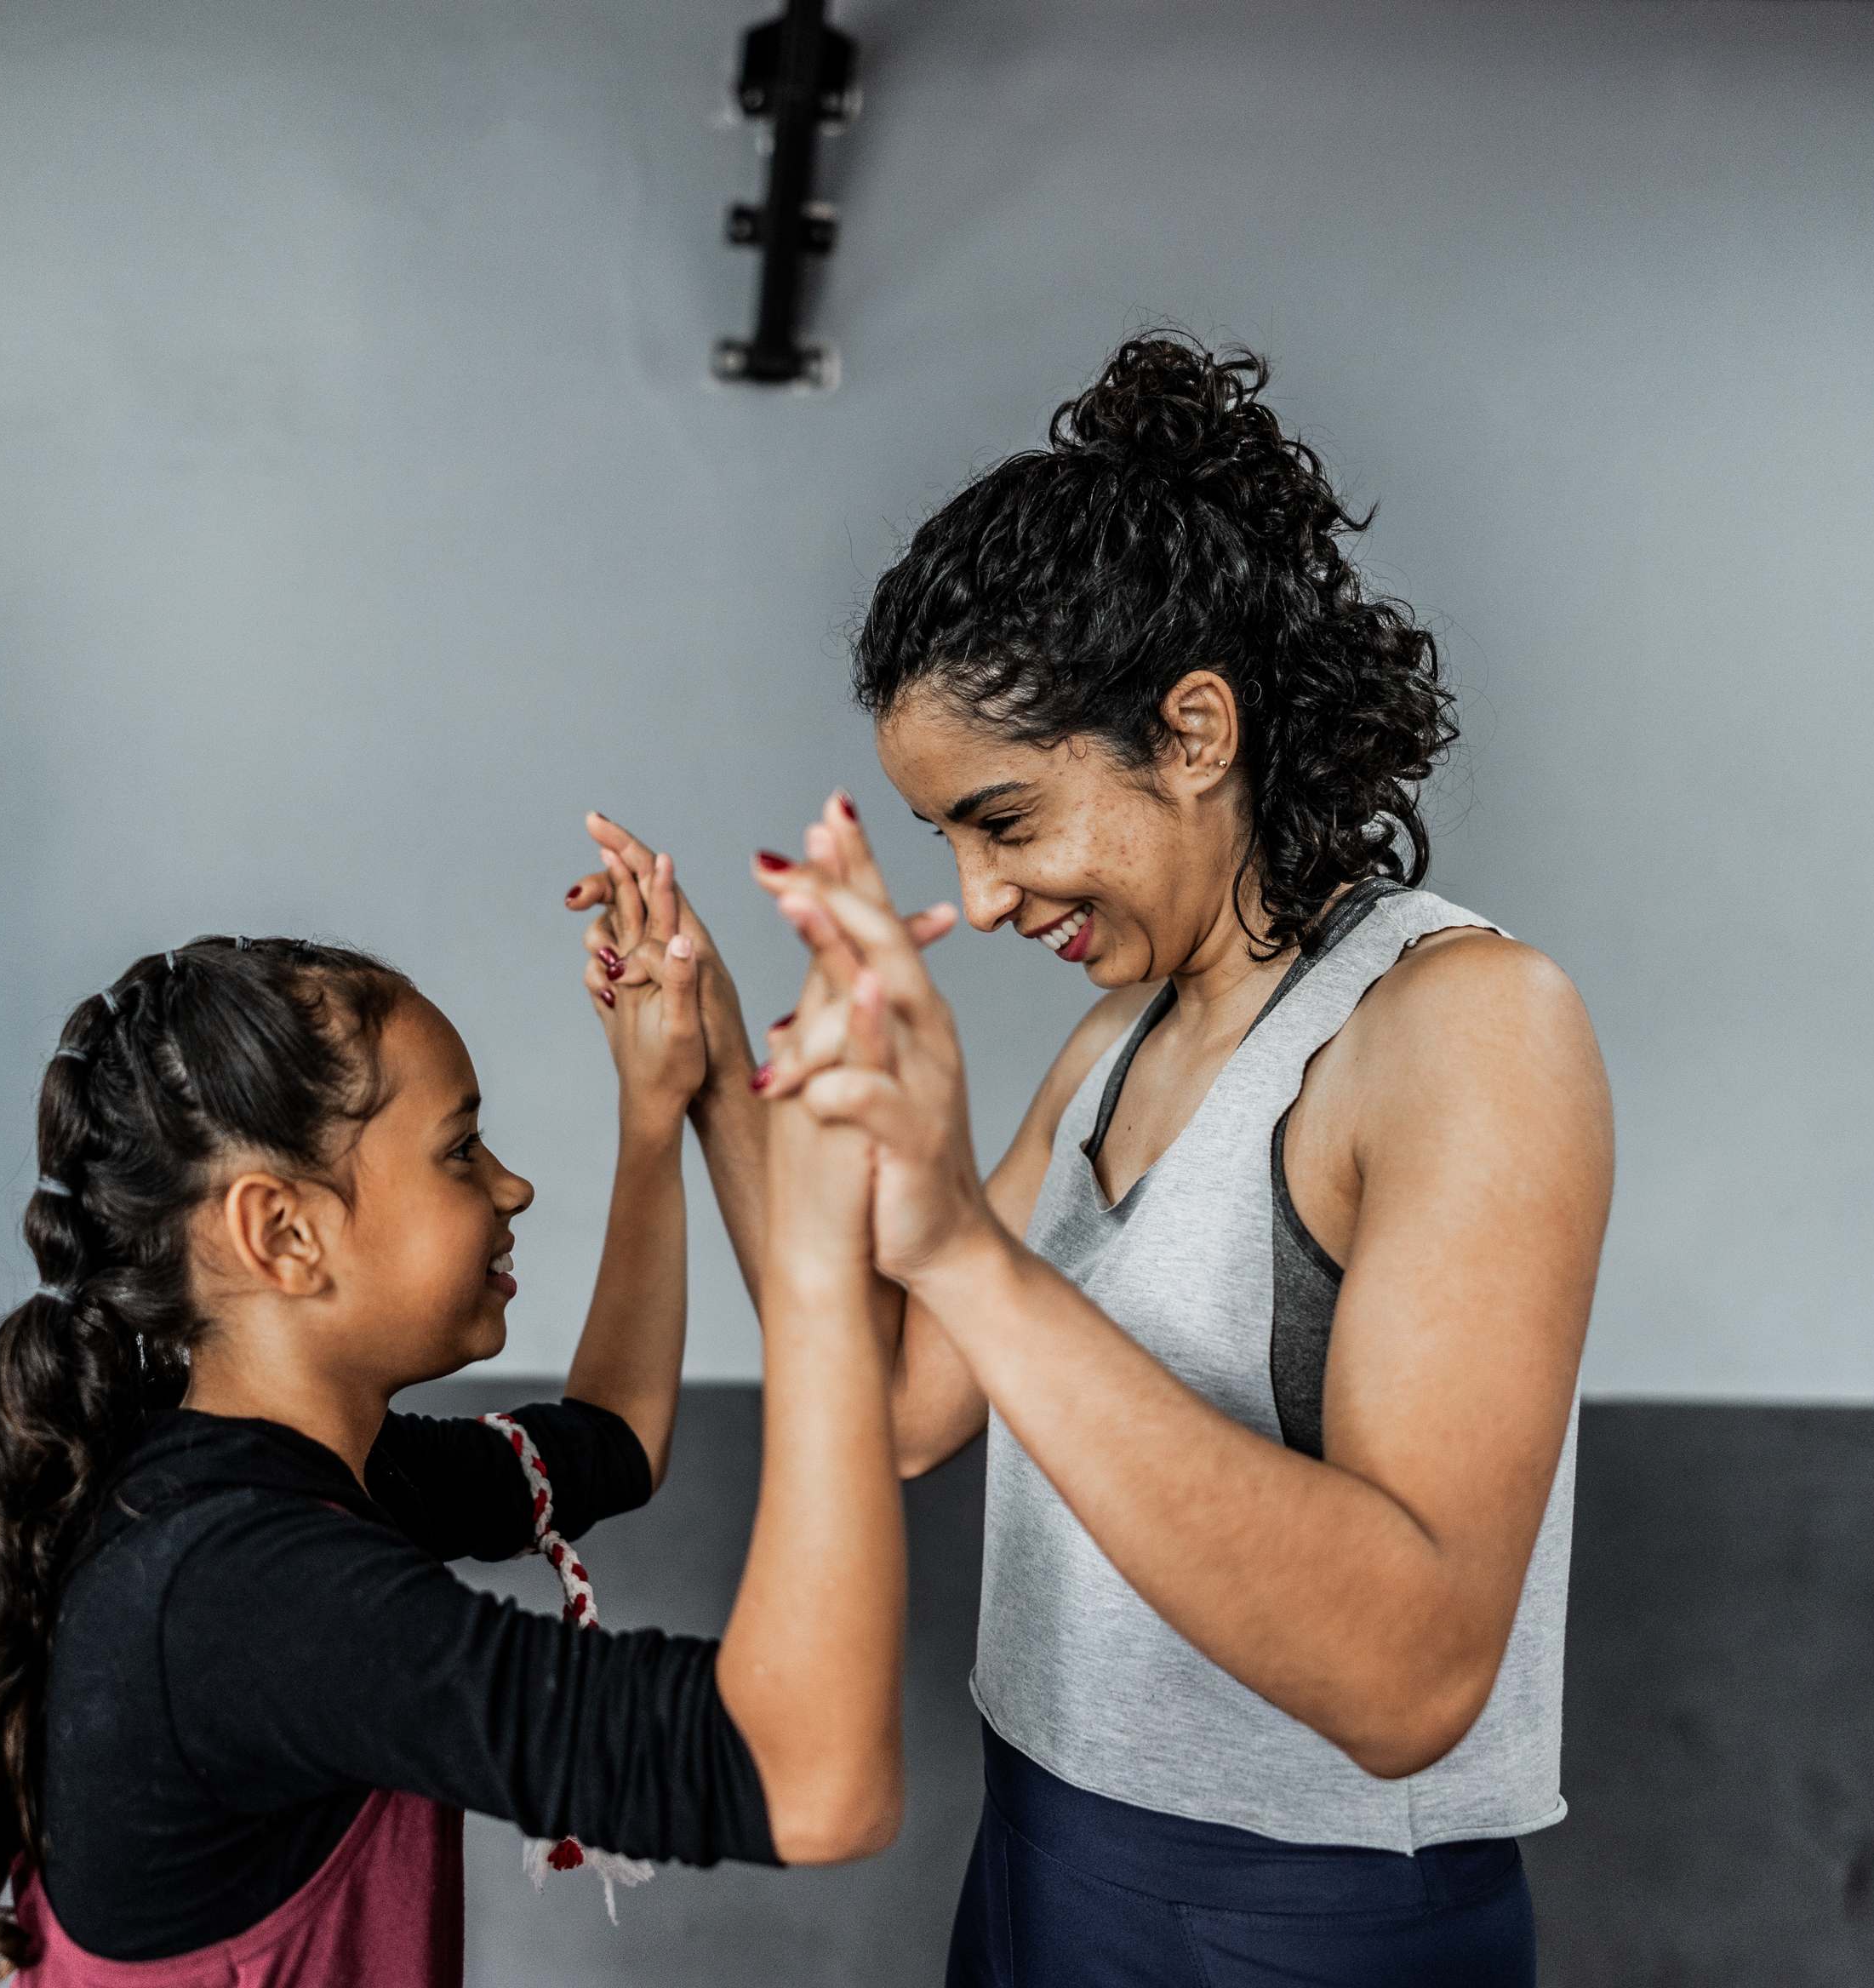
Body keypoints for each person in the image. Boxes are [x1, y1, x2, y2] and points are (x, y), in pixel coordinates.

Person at [615, 333, 1613, 1986]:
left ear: (1196, 729)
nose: (982, 897)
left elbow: (1415, 1674)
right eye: (944, 839)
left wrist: (961, 1249)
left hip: (1305, 1922)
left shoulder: (1469, 1025)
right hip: (1036, 1853)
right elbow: (902, 1407)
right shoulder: (1120, 1040)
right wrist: (720, 1074)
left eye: (1003, 820)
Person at [0, 895, 909, 1988]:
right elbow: (816, 1775)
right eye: (460, 1148)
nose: (511, 1184)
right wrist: (818, 1261)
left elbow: (614, 1442)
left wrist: (659, 1114)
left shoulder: (283, 1475)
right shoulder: (252, 1596)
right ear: (284, 1231)